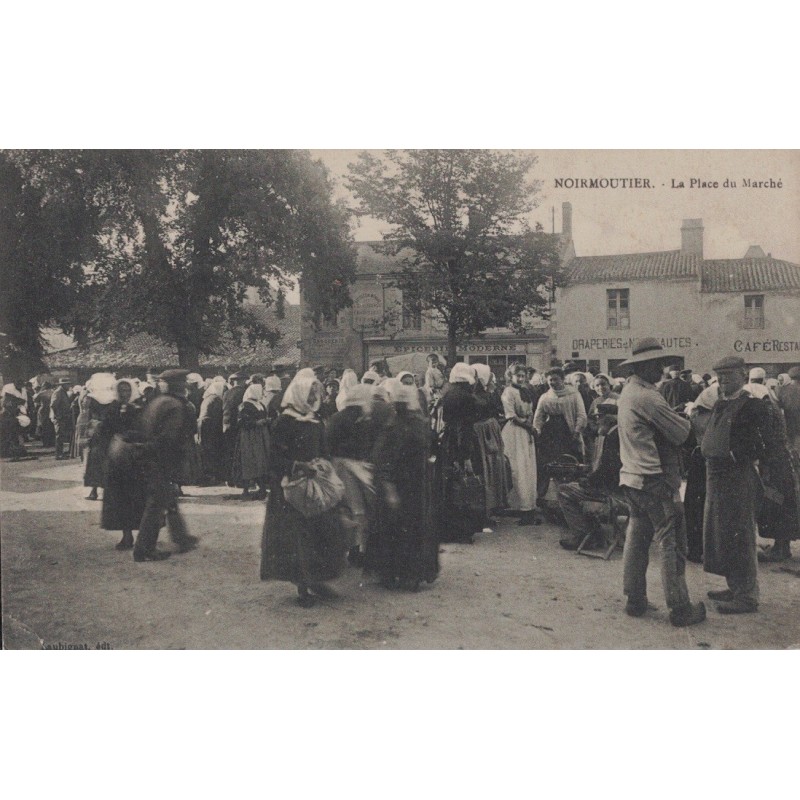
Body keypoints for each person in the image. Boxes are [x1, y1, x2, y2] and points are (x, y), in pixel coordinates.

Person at [616, 338, 706, 626]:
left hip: (631, 477)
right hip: (653, 478)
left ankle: (635, 599)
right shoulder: (649, 397)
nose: (663, 369)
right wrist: (686, 415)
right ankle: (680, 608)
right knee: (672, 544)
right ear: (645, 366)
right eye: (658, 364)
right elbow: (682, 434)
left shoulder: (629, 391)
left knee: (637, 540)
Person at [260, 371, 349, 606]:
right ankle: (302, 587)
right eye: (309, 393)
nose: (313, 397)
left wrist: (324, 466)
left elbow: (324, 450)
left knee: (321, 533)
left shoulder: (315, 420)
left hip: (315, 485)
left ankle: (317, 580)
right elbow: (274, 460)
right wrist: (296, 466)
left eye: (315, 393)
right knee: (298, 538)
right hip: (292, 489)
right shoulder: (285, 422)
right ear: (298, 394)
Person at [702, 356, 772, 613]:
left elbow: (762, 443)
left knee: (740, 535)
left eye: (728, 376)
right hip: (717, 477)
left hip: (736, 477)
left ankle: (747, 596)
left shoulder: (752, 406)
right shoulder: (721, 403)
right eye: (719, 377)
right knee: (723, 534)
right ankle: (734, 586)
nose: (722, 381)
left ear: (742, 376)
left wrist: (734, 456)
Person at [367, 383, 439, 590]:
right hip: (405, 485)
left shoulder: (406, 425)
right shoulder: (402, 427)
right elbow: (384, 460)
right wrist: (389, 488)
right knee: (404, 529)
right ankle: (405, 573)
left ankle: (405, 573)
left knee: (404, 529)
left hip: (412, 484)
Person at [132, 370, 199, 562]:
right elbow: (169, 437)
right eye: (183, 383)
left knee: (167, 499)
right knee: (157, 503)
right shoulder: (175, 405)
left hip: (150, 457)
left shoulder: (156, 402)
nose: (186, 386)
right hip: (162, 459)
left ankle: (181, 538)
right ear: (179, 386)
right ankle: (144, 549)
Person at [557, 403, 624, 550]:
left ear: (607, 420)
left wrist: (588, 480)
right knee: (576, 487)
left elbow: (608, 470)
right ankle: (594, 534)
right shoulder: (619, 434)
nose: (596, 423)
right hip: (622, 490)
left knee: (563, 490)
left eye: (598, 418)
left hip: (612, 493)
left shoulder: (613, 438)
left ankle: (582, 535)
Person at [327, 384, 378, 566]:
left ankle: (346, 548)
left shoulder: (337, 418)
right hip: (353, 467)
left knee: (345, 508)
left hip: (337, 466)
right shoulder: (364, 420)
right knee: (359, 509)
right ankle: (357, 549)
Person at [438, 363, 485, 542]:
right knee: (464, 485)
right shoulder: (467, 397)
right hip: (461, 442)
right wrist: (465, 456)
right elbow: (464, 427)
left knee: (450, 485)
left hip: (449, 441)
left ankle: (448, 529)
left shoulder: (448, 394)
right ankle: (462, 530)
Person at [100, 379, 145, 550]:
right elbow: (105, 431)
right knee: (120, 498)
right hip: (118, 459)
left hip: (136, 459)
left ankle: (143, 535)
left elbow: (144, 429)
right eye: (121, 391)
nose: (125, 394)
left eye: (127, 390)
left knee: (138, 496)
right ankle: (126, 536)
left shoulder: (139, 407)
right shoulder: (112, 409)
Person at [533, 367, 587, 507]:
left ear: (562, 379)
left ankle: (569, 496)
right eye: (550, 380)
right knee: (547, 464)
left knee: (568, 463)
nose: (552, 382)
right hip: (549, 434)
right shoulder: (545, 396)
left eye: (556, 379)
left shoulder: (573, 394)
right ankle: (544, 497)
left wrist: (576, 432)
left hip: (567, 432)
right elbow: (538, 417)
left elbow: (581, 415)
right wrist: (538, 431)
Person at [683, 384, 719, 563]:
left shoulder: (696, 415)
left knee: (695, 506)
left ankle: (696, 548)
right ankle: (708, 549)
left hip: (698, 461)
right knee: (708, 506)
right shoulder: (717, 416)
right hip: (711, 462)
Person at [500, 364, 538, 526]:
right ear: (511, 377)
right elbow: (511, 415)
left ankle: (528, 505)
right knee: (517, 468)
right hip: (515, 432)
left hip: (525, 432)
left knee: (528, 468)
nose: (521, 379)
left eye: (523, 376)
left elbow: (530, 412)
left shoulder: (526, 391)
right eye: (518, 376)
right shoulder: (508, 392)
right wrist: (528, 426)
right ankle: (518, 506)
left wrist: (531, 424)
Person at [230, 382, 271, 500]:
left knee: (260, 460)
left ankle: (262, 488)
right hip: (249, 436)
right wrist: (256, 423)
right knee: (249, 459)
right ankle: (246, 489)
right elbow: (241, 422)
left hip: (260, 435)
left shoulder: (260, 404)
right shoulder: (245, 405)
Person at [83, 373, 117, 501]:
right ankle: (103, 491)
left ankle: (94, 491)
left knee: (96, 462)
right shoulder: (113, 400)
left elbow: (90, 417)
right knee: (108, 462)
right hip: (108, 434)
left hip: (98, 433)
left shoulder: (92, 399)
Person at [198, 377, 226, 483]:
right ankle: (213, 476)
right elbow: (219, 415)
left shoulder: (208, 397)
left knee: (206, 450)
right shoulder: (216, 399)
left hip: (204, 425)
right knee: (212, 451)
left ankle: (209, 475)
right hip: (210, 427)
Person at [222, 372, 248, 482]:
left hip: (226, 424)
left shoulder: (227, 393)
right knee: (239, 453)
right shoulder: (244, 392)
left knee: (229, 451)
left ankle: (229, 478)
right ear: (243, 381)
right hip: (237, 425)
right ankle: (240, 478)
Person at [50, 378, 74, 459]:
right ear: (63, 385)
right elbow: (53, 405)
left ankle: (61, 453)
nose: (69, 386)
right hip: (59, 418)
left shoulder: (63, 392)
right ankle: (58, 454)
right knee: (59, 436)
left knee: (61, 436)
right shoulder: (58, 392)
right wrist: (58, 416)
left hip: (63, 417)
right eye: (67, 384)